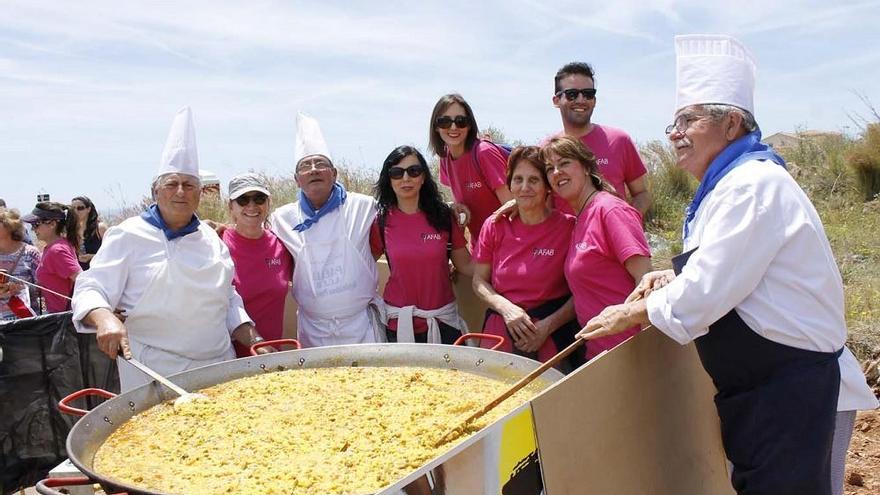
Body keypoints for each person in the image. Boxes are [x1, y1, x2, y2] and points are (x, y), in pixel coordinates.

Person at [579, 35, 879, 495]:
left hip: (792, 390)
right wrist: (674, 274)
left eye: (688, 119)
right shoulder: (729, 184)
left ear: (733, 123)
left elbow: (710, 287)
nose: (675, 133)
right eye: (673, 122)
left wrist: (631, 313)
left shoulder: (751, 185)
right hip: (762, 390)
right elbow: (733, 266)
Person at [72, 107, 268, 392]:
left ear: (200, 193)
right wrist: (105, 319)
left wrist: (254, 339)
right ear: (156, 191)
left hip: (219, 368)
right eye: (172, 184)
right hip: (154, 374)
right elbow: (90, 288)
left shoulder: (212, 239)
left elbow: (228, 299)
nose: (180, 192)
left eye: (189, 185)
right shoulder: (127, 234)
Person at [270, 112, 381, 348]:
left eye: (320, 164)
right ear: (296, 179)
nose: (313, 169)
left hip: (360, 327)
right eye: (305, 166)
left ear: (334, 173)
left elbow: (404, 212)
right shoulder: (282, 218)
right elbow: (251, 234)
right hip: (313, 330)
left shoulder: (362, 206)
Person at [542, 136, 651, 361]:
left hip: (628, 351)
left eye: (564, 163)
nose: (556, 172)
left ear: (586, 167)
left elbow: (647, 283)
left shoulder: (610, 211)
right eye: (549, 168)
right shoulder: (579, 220)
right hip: (598, 353)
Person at [472, 146, 581, 368]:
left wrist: (548, 326)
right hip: (499, 333)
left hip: (551, 336)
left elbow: (581, 290)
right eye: (518, 180)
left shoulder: (569, 227)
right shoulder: (494, 225)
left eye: (533, 180)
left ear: (547, 187)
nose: (524, 187)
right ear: (510, 184)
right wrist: (505, 308)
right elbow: (479, 281)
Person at [370, 145, 471, 344]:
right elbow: (362, 266)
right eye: (397, 173)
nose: (405, 178)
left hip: (443, 323)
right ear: (388, 179)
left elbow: (467, 265)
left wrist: (507, 270)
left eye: (413, 171)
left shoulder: (443, 217)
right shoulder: (380, 221)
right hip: (398, 326)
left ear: (423, 177)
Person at [543, 62, 651, 217]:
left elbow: (642, 194)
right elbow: (541, 205)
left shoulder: (619, 140)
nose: (581, 100)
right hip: (567, 241)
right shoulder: (544, 150)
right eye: (572, 94)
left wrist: (625, 221)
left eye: (588, 93)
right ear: (556, 101)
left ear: (594, 100)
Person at [221, 173, 294, 357]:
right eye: (243, 200)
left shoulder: (282, 244)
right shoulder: (217, 244)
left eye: (259, 198)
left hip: (271, 355)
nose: (252, 206)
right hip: (227, 358)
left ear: (268, 203)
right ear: (231, 206)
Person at [429, 94, 513, 246]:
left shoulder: (484, 152)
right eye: (445, 121)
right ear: (436, 126)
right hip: (480, 246)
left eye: (460, 121)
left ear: (469, 125)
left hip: (506, 247)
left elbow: (512, 207)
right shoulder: (445, 158)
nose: (453, 127)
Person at [23, 202, 81, 313]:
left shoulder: (57, 251)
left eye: (36, 224)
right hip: (60, 315)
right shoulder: (52, 248)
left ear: (52, 224)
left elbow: (82, 279)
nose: (33, 229)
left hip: (65, 318)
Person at [0, 208, 41, 319]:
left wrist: (21, 289)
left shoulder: (30, 253)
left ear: (10, 226)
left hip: (23, 324)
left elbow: (42, 288)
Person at [71, 196, 108, 270]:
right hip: (80, 275)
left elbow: (111, 253)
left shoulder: (100, 228)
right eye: (73, 209)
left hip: (99, 272)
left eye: (80, 208)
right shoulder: (72, 230)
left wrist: (91, 257)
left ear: (88, 209)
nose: (76, 211)